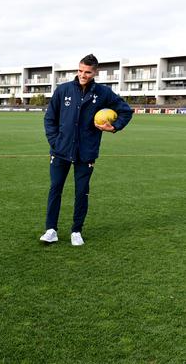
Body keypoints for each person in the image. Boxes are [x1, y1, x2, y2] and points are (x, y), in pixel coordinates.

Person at [39, 54, 133, 246]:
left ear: (95, 72)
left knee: (82, 191)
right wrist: (55, 142)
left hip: (86, 152)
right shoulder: (63, 90)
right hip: (60, 151)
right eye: (80, 70)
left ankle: (76, 231)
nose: (83, 75)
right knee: (55, 189)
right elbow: (50, 119)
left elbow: (126, 110)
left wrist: (114, 127)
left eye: (87, 72)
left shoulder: (103, 93)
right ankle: (51, 230)